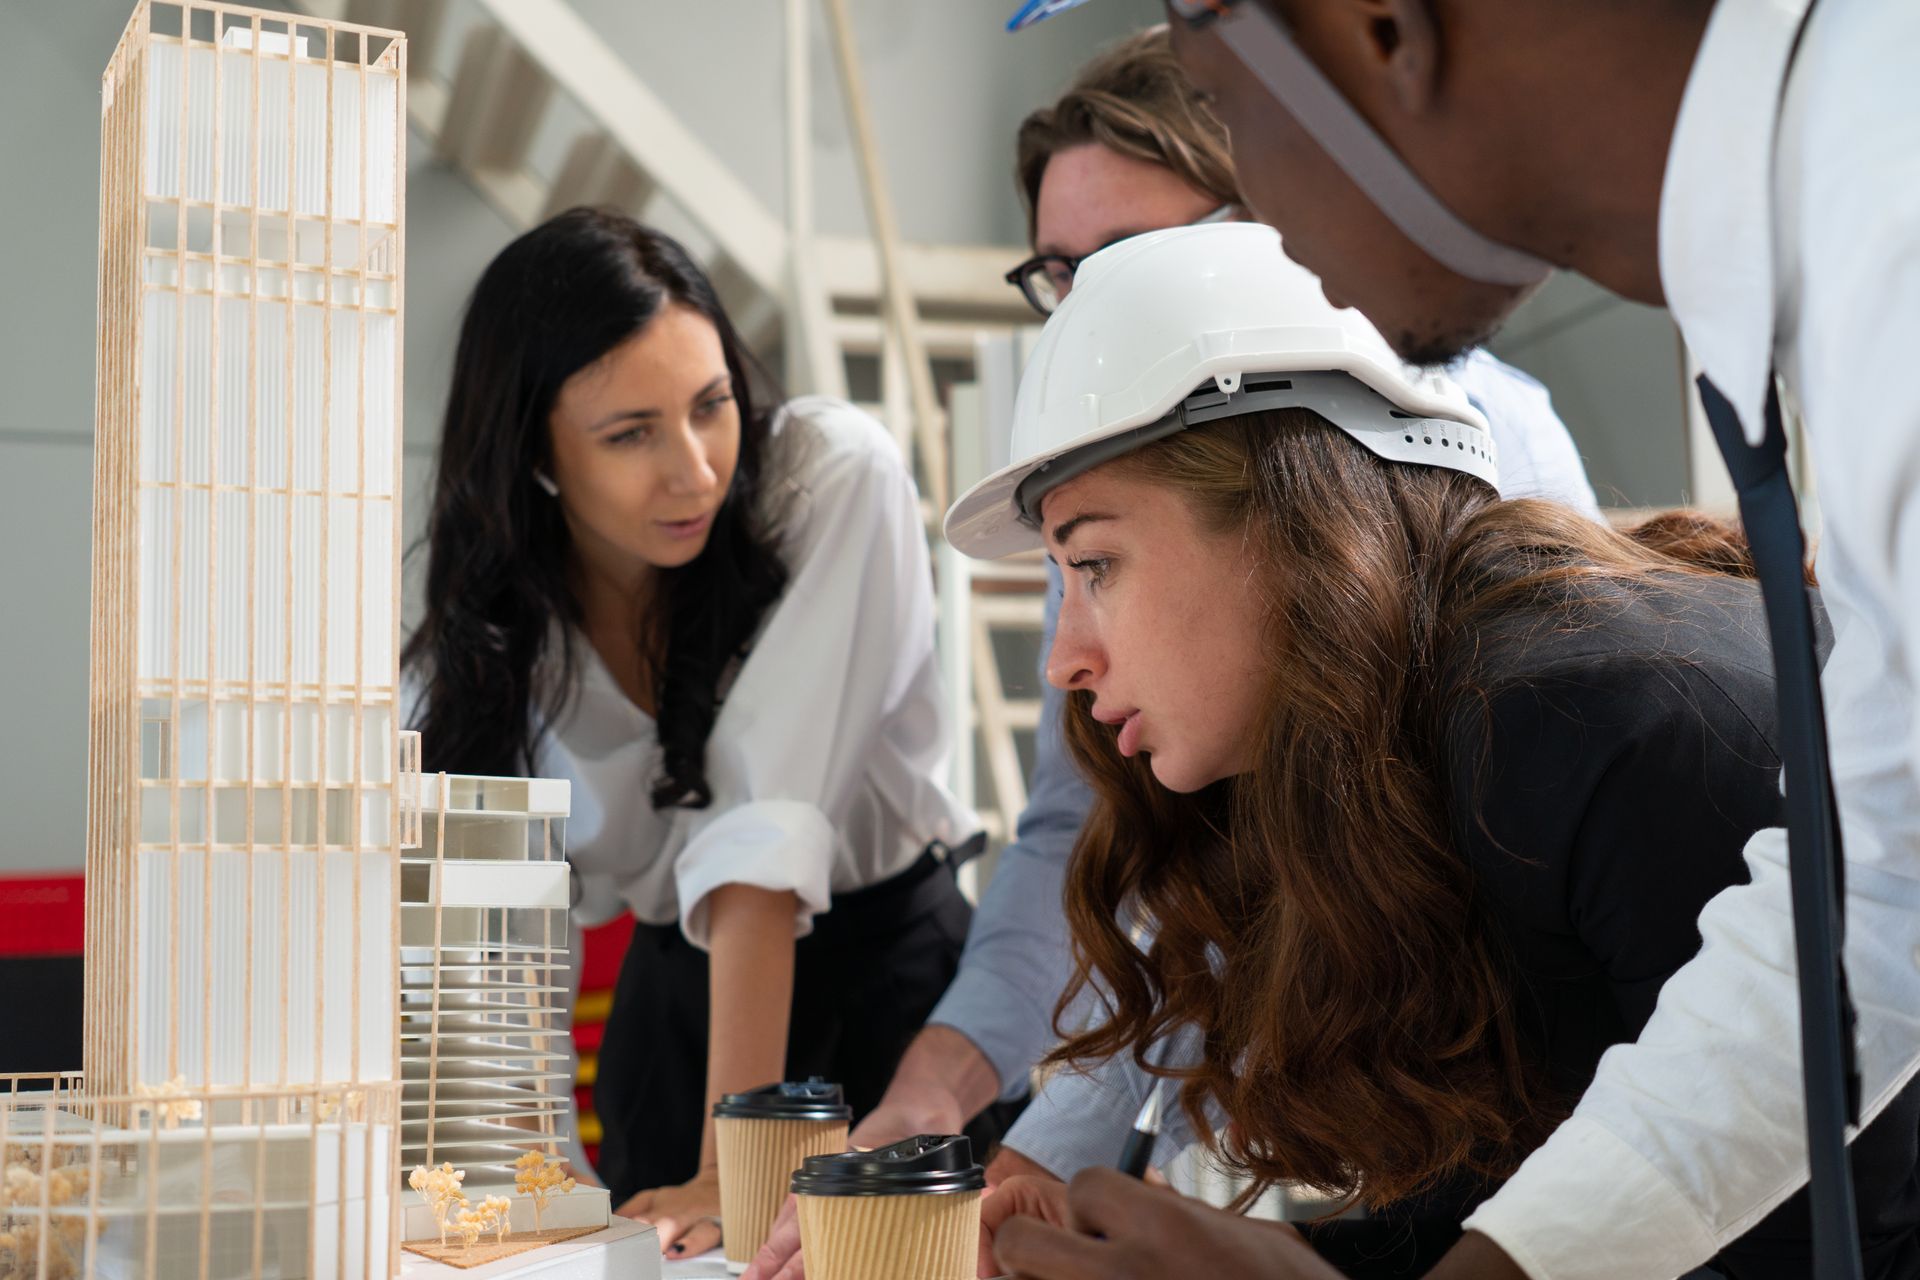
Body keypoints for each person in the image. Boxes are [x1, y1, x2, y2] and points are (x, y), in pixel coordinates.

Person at [997, 0, 1920, 1276]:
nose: (1063, 657)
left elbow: (1825, 1219)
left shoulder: (1582, 724)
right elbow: (1834, 951)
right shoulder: (1444, 757)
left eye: (1096, 562)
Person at [742, 34, 1601, 1280]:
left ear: (1272, 233)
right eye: (1059, 275)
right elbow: (1120, 843)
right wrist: (957, 1111)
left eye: (1133, 263)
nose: (1088, 313)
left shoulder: (1477, 470)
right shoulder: (1124, 516)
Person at [402, 208, 991, 1260]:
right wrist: (518, 1191)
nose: (695, 470)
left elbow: (760, 831)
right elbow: (489, 938)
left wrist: (736, 1161)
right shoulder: (493, 637)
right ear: (535, 454)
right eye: (631, 433)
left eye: (711, 405)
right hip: (681, 1012)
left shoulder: (829, 478)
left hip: (887, 981)